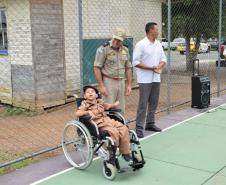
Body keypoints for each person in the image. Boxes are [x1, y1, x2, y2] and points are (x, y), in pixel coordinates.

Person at [75, 85, 131, 161]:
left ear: (96, 95)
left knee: (124, 128)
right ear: (85, 96)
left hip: (108, 120)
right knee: (114, 132)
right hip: (98, 123)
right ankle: (112, 153)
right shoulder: (85, 104)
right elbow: (77, 113)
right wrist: (87, 111)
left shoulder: (100, 102)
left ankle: (125, 153)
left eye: (92, 92)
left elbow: (107, 106)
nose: (90, 93)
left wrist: (113, 105)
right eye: (87, 92)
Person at [132, 22, 167, 138]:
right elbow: (135, 62)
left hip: (156, 78)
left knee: (154, 102)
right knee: (143, 104)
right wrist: (151, 68)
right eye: (156, 29)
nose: (158, 31)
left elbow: (163, 58)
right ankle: (139, 128)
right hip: (144, 79)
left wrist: (159, 66)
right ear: (150, 30)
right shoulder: (140, 44)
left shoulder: (158, 44)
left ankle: (150, 124)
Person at [94, 28, 133, 115]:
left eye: (119, 40)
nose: (116, 42)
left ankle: (119, 127)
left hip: (121, 81)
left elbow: (128, 68)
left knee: (120, 109)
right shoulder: (103, 49)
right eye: (115, 39)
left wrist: (129, 85)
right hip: (109, 81)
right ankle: (107, 128)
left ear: (123, 40)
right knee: (108, 108)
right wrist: (101, 86)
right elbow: (97, 67)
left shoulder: (125, 50)